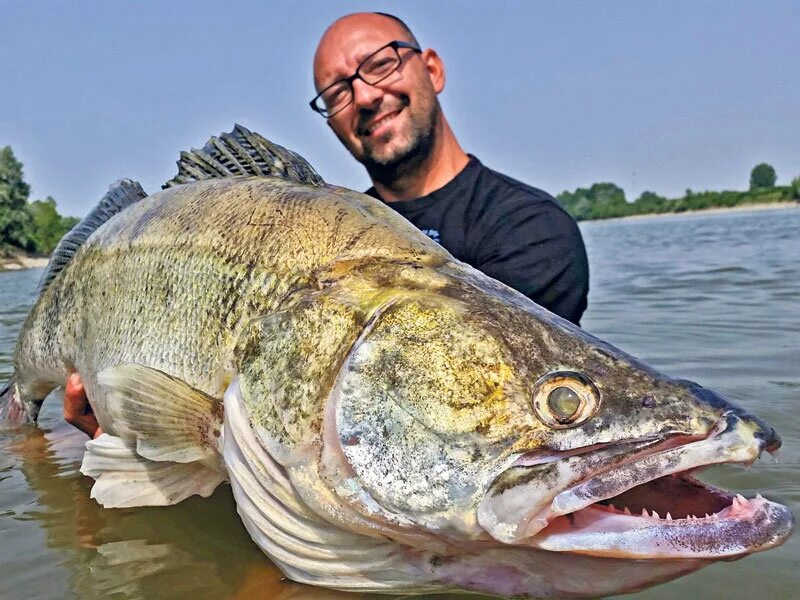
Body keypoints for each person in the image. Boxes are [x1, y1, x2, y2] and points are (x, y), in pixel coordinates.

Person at [64, 12, 589, 438]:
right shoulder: (314, 224)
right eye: (337, 91)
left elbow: (482, 432)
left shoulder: (532, 229)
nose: (363, 97)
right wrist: (137, 433)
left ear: (433, 69)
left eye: (380, 65)